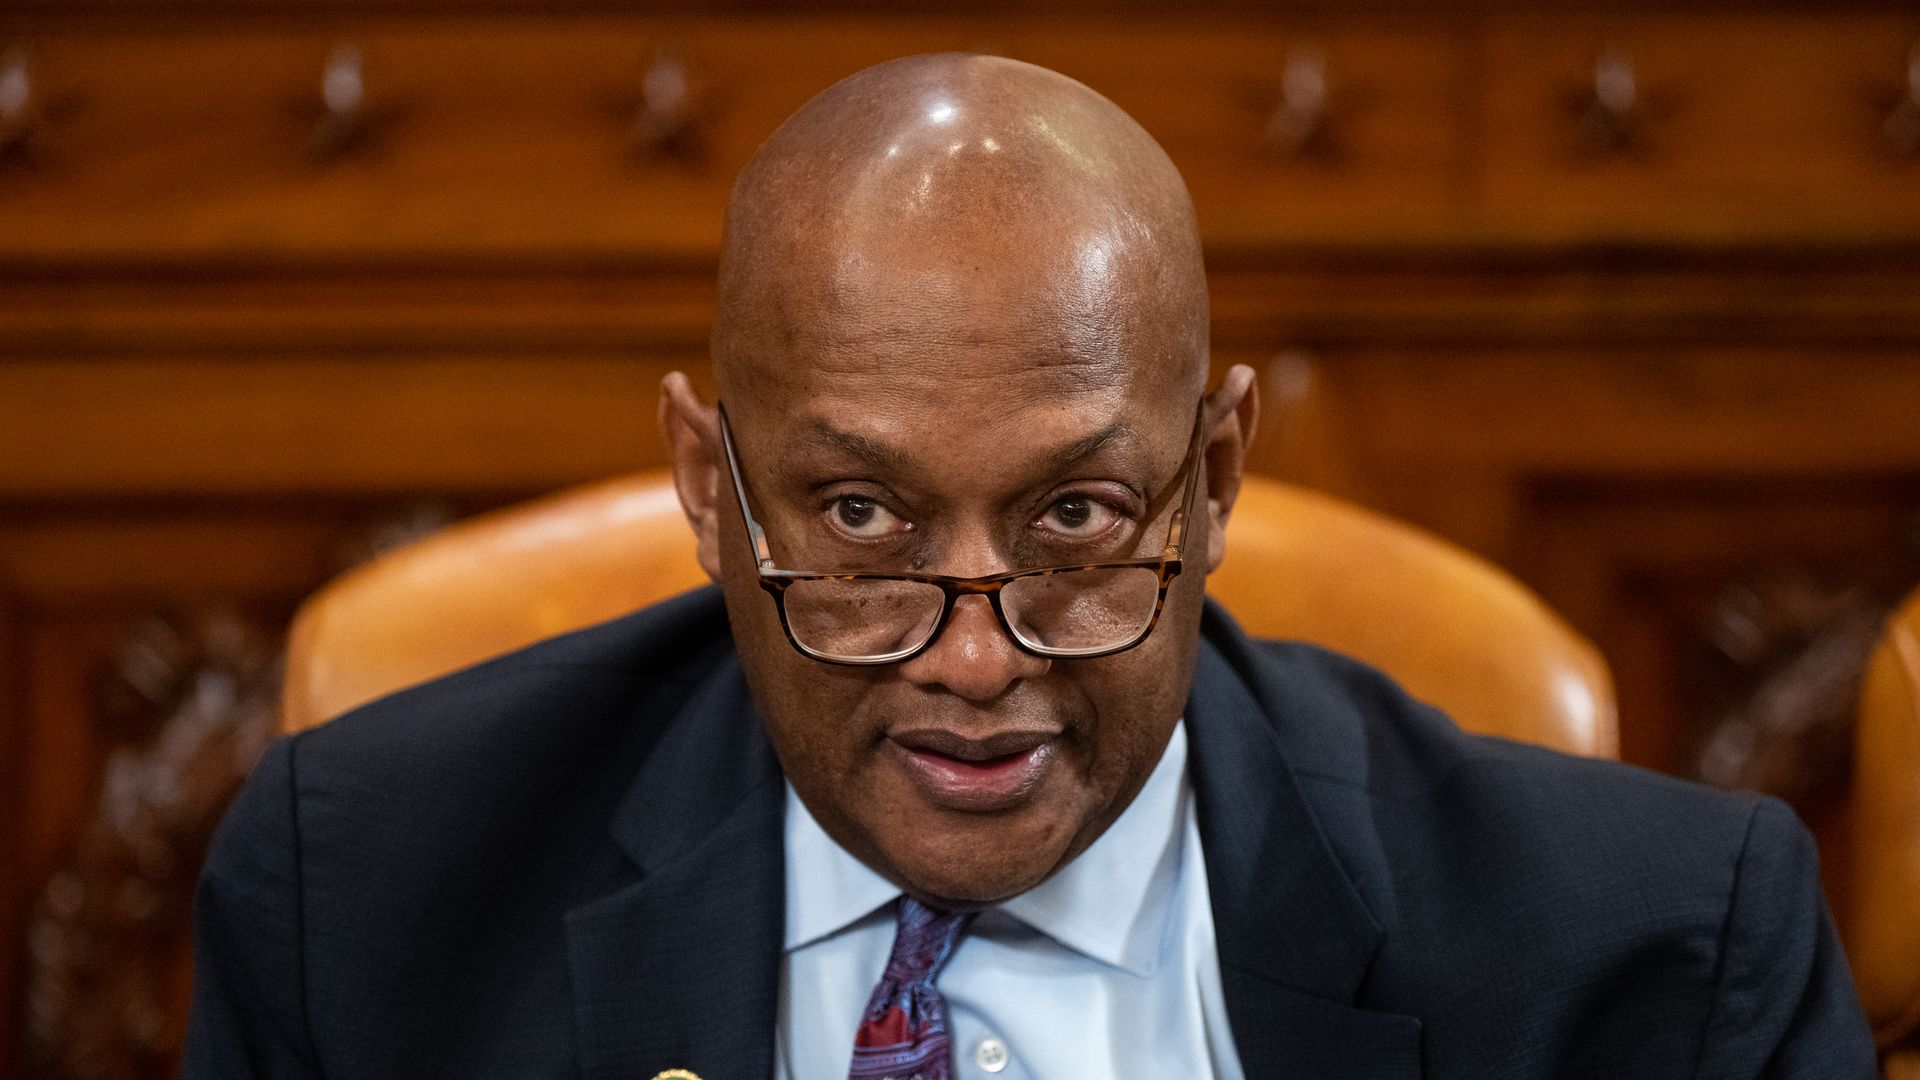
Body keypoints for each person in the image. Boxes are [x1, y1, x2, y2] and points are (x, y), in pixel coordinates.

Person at [184, 54, 1876, 1080]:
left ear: (1211, 479)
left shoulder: (1657, 964)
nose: (979, 663)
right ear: (710, 489)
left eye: (1073, 520)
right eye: (860, 522)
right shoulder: (372, 902)